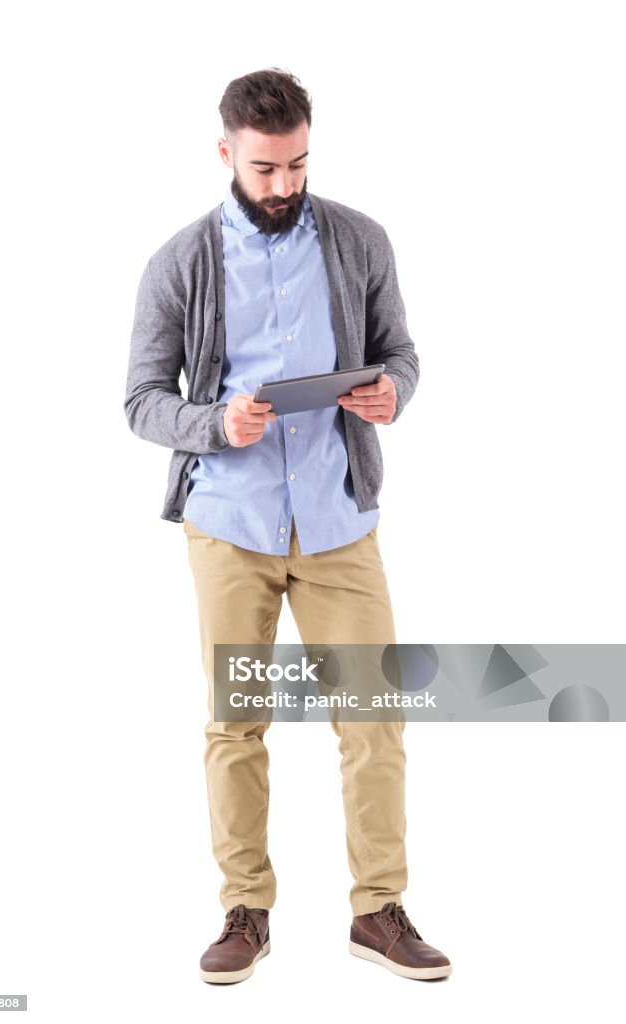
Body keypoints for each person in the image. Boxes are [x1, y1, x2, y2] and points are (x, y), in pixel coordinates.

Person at [124, 67, 452, 985]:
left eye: (298, 164)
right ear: (225, 152)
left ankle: (376, 909)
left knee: (373, 715)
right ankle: (245, 909)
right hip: (230, 523)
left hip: (338, 518)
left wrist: (393, 392)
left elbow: (400, 353)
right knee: (237, 722)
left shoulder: (359, 240)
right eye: (265, 168)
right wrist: (214, 425)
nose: (284, 186)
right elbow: (141, 401)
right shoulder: (178, 263)